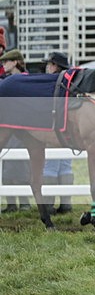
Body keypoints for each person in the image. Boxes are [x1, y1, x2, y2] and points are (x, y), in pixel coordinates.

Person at [42, 52, 74, 214]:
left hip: (52, 127)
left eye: (49, 64)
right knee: (65, 166)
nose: (47, 66)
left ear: (54, 66)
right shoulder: (70, 82)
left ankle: (48, 204)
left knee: (50, 166)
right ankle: (66, 203)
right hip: (68, 128)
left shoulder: (50, 82)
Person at [0, 49, 31, 212]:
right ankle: (11, 203)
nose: (3, 64)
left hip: (22, 127)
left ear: (15, 62)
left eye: (6, 62)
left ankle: (24, 201)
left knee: (20, 165)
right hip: (7, 125)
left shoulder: (25, 81)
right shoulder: (5, 81)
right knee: (7, 164)